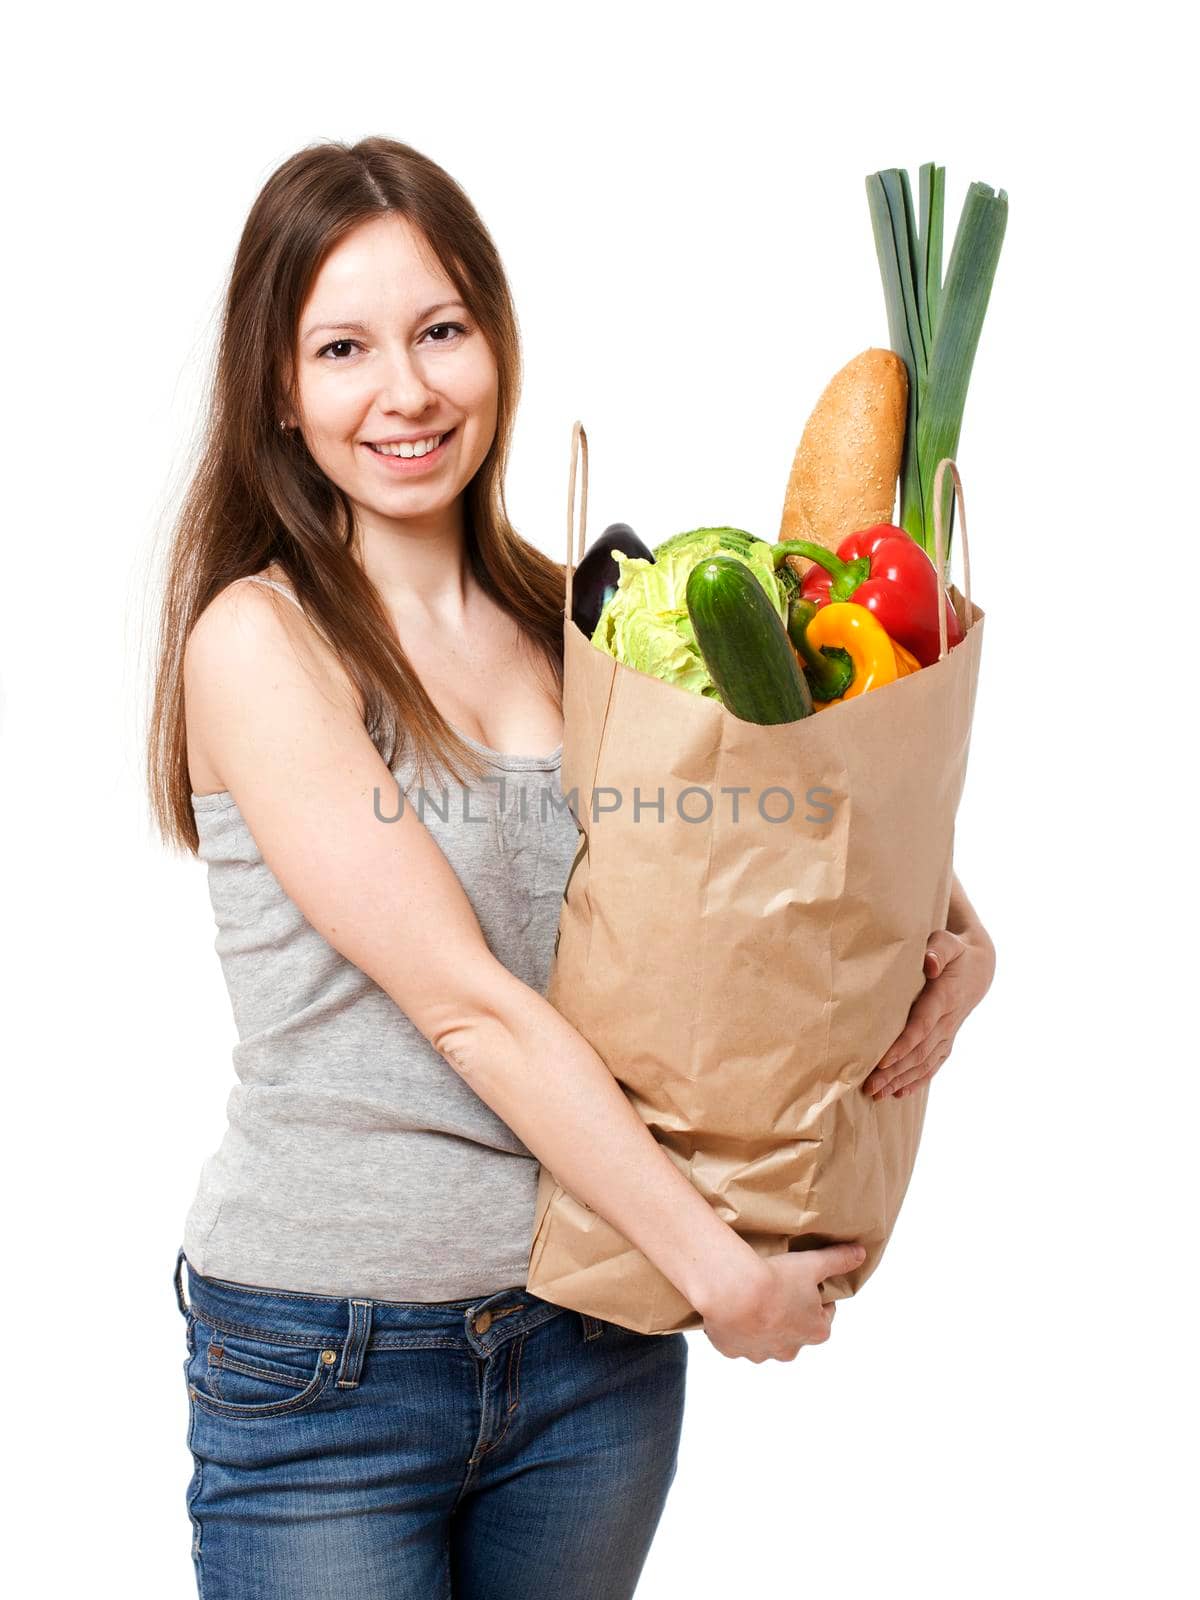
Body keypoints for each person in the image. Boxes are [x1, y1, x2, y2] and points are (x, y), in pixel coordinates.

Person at [146, 136, 996, 1600]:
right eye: (342, 348)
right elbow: (466, 1003)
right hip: (333, 1360)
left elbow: (798, 853)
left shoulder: (580, 619)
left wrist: (964, 953)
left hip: (591, 1343)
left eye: (440, 331)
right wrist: (720, 1272)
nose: (404, 391)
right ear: (279, 392)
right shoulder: (259, 644)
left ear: (496, 342)